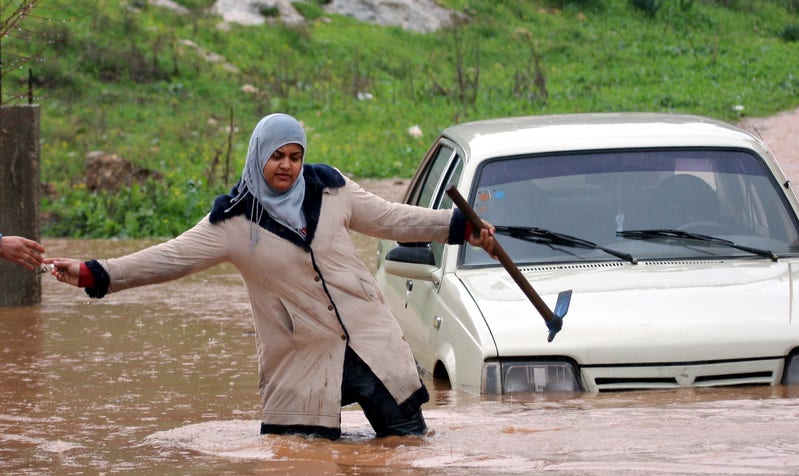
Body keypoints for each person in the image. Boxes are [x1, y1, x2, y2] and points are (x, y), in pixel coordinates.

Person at [47, 113, 495, 440]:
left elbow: (392, 218)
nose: (287, 166)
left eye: (295, 156)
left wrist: (457, 227)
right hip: (300, 357)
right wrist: (96, 273)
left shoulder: (332, 189)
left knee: (408, 456)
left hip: (371, 344)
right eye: (277, 156)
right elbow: (169, 259)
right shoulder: (233, 223)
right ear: (258, 155)